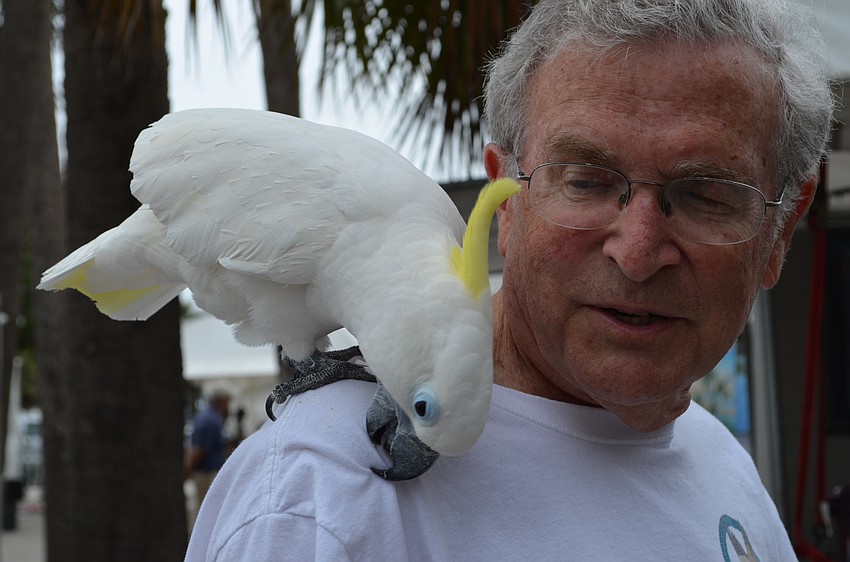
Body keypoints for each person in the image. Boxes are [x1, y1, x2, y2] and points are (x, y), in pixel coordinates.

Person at [185, 0, 834, 559]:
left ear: (781, 232)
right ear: (506, 205)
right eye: (584, 180)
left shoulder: (723, 467)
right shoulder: (317, 497)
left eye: (705, 195)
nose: (637, 253)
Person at [185, 389, 231, 523]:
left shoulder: (211, 418)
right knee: (208, 515)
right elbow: (199, 450)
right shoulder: (209, 420)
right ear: (222, 401)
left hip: (208, 472)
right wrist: (188, 470)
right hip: (207, 474)